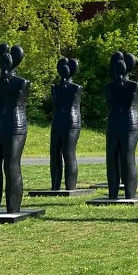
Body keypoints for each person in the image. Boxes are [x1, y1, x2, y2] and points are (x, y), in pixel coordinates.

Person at [0, 44, 30, 214]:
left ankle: (13, 207)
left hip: (14, 124)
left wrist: (7, 79)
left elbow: (15, 99)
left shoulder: (22, 83)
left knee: (11, 165)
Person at [105, 52, 138, 200]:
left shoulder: (134, 86)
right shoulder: (109, 87)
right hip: (114, 121)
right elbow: (110, 104)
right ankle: (112, 192)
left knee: (127, 157)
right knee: (112, 157)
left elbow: (128, 102)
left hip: (129, 121)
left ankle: (130, 193)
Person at [49, 57, 83, 191]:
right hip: (58, 120)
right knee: (54, 152)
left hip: (71, 121)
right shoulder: (55, 89)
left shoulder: (76, 88)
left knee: (68, 153)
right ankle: (55, 185)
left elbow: (70, 103)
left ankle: (70, 185)